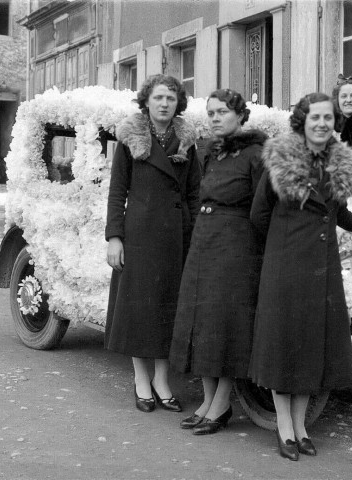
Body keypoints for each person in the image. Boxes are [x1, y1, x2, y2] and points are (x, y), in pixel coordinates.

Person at [249, 93, 352, 461]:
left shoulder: (337, 165)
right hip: (286, 267)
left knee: (310, 347)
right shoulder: (279, 161)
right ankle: (284, 426)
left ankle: (301, 425)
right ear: (302, 121)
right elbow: (259, 216)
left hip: (322, 268)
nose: (322, 124)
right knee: (284, 345)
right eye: (315, 117)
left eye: (328, 118)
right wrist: (284, 246)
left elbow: (342, 216)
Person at [170, 89, 267, 435]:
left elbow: (262, 206)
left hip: (236, 246)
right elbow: (199, 194)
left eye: (223, 111)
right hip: (205, 242)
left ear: (241, 116)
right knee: (202, 321)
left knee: (225, 325)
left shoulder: (257, 154)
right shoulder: (209, 152)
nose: (215, 117)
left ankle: (221, 403)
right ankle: (208, 401)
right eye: (210, 112)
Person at [105, 74, 201, 413]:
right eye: (159, 97)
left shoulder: (188, 141)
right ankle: (141, 379)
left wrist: (193, 235)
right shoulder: (130, 138)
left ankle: (162, 379)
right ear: (146, 101)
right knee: (140, 308)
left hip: (176, 236)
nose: (164, 104)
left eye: (170, 99)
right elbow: (117, 191)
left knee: (167, 309)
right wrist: (115, 237)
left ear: (178, 105)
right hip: (140, 235)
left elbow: (193, 193)